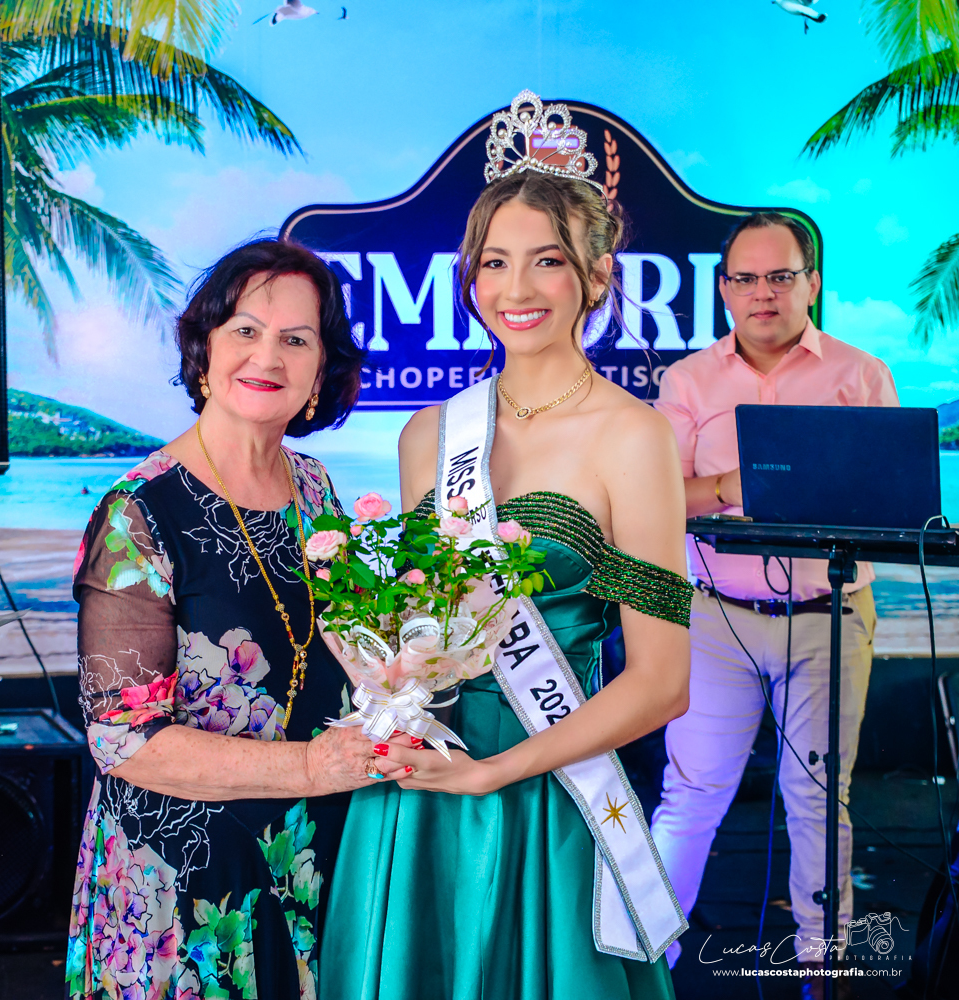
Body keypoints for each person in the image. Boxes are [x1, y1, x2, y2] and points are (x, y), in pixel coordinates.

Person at [320, 92, 693, 1000]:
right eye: (494, 262)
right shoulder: (430, 434)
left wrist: (494, 774)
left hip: (544, 783)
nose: (515, 290)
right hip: (418, 780)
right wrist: (377, 672)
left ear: (595, 277)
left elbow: (663, 681)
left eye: (547, 261)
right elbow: (413, 620)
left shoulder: (633, 436)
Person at [66, 239, 399, 1000]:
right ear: (205, 348)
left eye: (296, 339)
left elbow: (332, 647)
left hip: (309, 851)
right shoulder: (138, 513)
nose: (267, 356)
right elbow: (122, 740)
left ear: (321, 368)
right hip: (184, 882)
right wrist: (311, 768)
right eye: (246, 329)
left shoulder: (313, 485)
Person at [648, 213, 898, 990]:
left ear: (811, 284)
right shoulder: (688, 381)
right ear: (723, 289)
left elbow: (889, 499)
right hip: (717, 616)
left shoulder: (861, 375)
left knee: (819, 797)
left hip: (828, 616)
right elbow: (657, 497)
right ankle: (645, 955)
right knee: (691, 793)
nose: (764, 293)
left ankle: (825, 962)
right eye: (746, 278)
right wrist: (736, 487)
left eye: (781, 276)